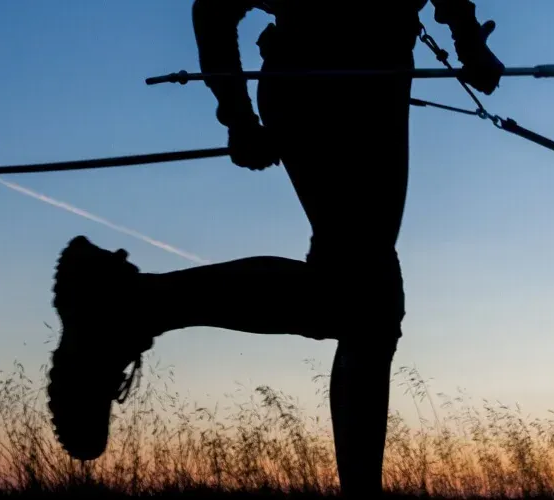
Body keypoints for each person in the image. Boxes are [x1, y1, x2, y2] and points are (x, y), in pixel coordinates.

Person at [44, 0, 505, 496]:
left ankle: (128, 306)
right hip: (330, 85)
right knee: (366, 301)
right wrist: (237, 115)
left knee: (364, 303)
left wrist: (467, 38)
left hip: (374, 85)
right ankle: (129, 305)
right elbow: (214, 7)